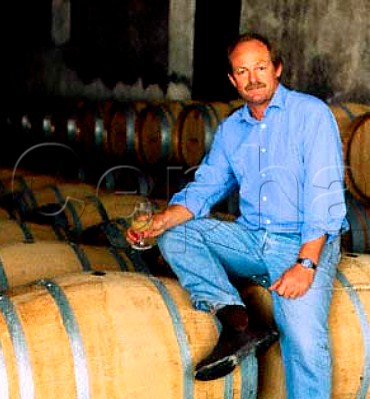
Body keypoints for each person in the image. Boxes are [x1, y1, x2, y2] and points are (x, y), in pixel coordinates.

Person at [127, 32, 348, 398]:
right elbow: (206, 187)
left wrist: (306, 264)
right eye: (242, 71)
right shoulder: (232, 129)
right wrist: (160, 222)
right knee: (177, 235)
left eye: (260, 67)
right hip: (251, 237)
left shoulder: (310, 115)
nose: (253, 78)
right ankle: (237, 321)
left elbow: (324, 197)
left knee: (305, 343)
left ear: (277, 69)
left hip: (300, 241)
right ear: (233, 79)